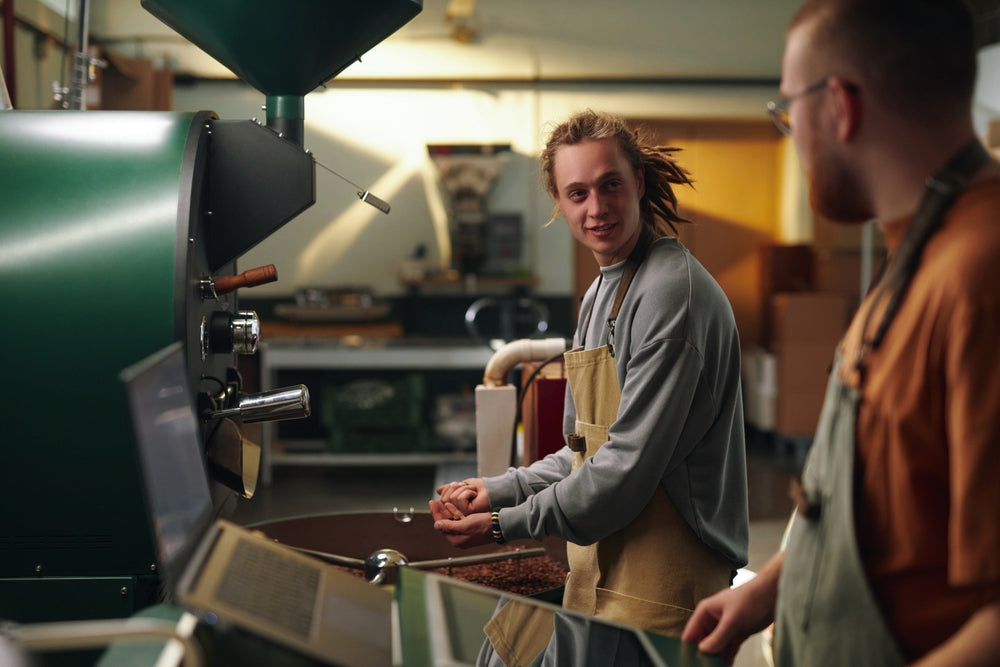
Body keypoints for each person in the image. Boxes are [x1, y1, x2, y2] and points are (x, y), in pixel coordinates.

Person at [682, 1, 1000, 665]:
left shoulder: (979, 274)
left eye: (791, 111)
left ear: (841, 106)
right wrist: (769, 588)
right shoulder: (912, 256)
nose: (794, 134)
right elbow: (888, 512)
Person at [430, 109, 749, 641]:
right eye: (577, 193)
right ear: (558, 201)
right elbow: (586, 453)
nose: (596, 209)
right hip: (604, 561)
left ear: (638, 183)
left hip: (667, 583)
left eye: (610, 186)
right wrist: (498, 489)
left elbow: (623, 472)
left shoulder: (670, 293)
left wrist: (501, 525)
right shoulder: (604, 289)